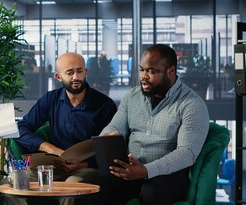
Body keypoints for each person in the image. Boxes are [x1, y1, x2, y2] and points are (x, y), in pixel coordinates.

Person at [78, 44, 210, 205]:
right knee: (88, 186)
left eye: (151, 71)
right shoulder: (132, 96)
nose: (143, 76)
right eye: (142, 70)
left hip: (166, 175)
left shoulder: (192, 104)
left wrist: (147, 170)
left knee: (152, 194)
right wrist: (108, 136)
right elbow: (116, 127)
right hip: (129, 171)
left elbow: (187, 153)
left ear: (171, 71)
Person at [11, 52, 117, 205]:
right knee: (15, 182)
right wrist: (51, 149)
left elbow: (111, 148)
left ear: (86, 72)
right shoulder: (50, 99)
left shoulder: (105, 105)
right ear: (58, 77)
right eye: (70, 72)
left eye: (79, 71)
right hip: (54, 166)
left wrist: (83, 164)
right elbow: (20, 128)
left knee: (72, 186)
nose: (76, 77)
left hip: (88, 168)